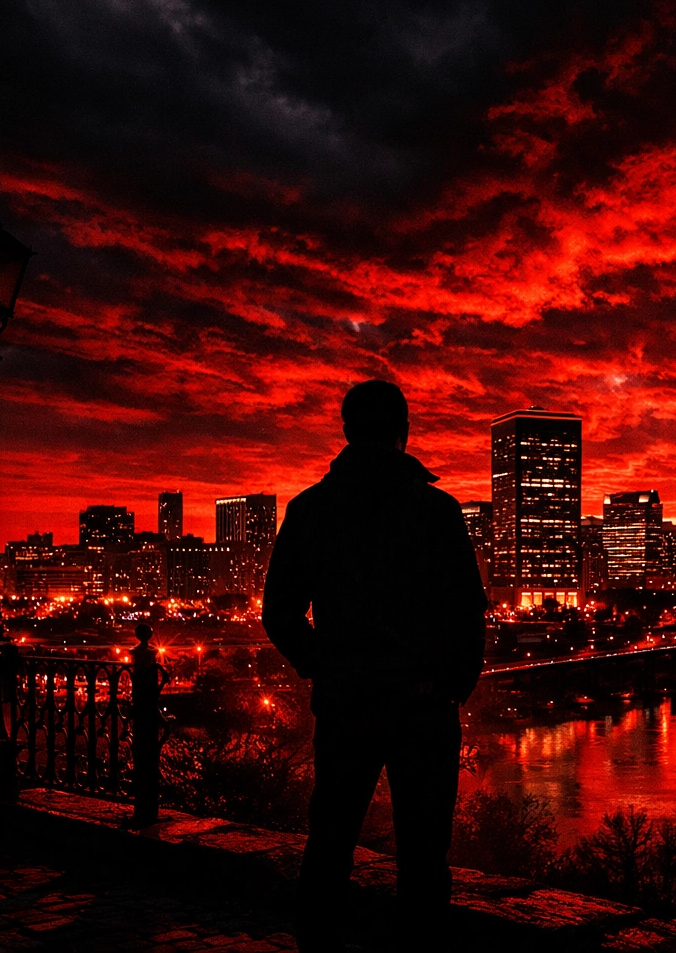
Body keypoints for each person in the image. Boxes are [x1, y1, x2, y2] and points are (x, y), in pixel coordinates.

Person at [263, 379, 487, 951]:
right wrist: (452, 686)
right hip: (423, 706)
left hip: (347, 706)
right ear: (403, 432)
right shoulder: (436, 510)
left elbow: (279, 612)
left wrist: (324, 665)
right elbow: (467, 610)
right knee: (425, 854)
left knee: (330, 842)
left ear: (346, 431)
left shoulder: (310, 509)